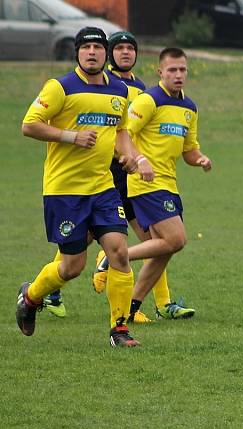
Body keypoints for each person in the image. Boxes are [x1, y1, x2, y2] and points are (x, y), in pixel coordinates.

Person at [17, 26, 154, 347]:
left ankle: (119, 330)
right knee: (71, 267)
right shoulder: (59, 87)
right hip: (64, 190)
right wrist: (70, 136)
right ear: (77, 52)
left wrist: (132, 157)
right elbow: (29, 125)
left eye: (97, 47)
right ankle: (31, 297)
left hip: (103, 188)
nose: (92, 52)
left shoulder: (119, 91)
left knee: (119, 252)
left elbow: (121, 131)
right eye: (86, 47)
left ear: (105, 53)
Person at [93, 47, 210, 324]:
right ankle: (111, 257)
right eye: (172, 70)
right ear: (160, 72)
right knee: (176, 240)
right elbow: (122, 135)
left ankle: (131, 308)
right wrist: (139, 158)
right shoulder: (148, 101)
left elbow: (189, 150)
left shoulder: (189, 108)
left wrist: (201, 159)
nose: (178, 75)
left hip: (169, 184)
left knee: (163, 248)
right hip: (146, 183)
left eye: (182, 70)